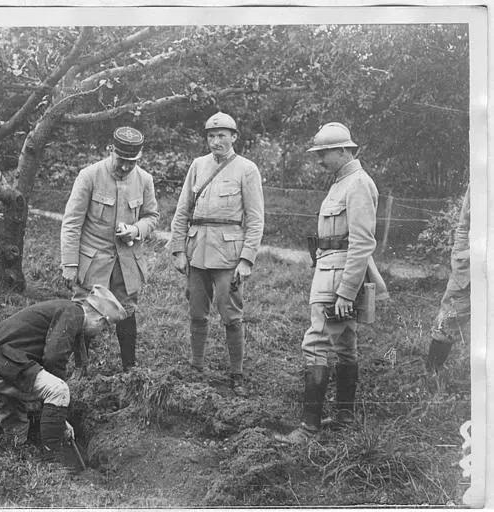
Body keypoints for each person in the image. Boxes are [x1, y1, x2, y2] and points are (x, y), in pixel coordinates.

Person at [275, 122, 388, 445]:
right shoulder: (343, 181)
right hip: (330, 270)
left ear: (343, 150)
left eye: (324, 153)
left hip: (338, 277)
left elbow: (362, 243)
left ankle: (309, 428)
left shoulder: (358, 184)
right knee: (344, 344)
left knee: (317, 343)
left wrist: (345, 291)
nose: (320, 159)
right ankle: (343, 417)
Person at [0, 285, 128, 459]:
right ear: (100, 319)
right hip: (6, 368)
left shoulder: (67, 309)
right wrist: (59, 413)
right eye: (104, 327)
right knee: (59, 390)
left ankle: (17, 452)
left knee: (17, 429)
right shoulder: (74, 314)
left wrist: (59, 418)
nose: (100, 332)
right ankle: (53, 457)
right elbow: (54, 358)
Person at [168, 112, 264, 394]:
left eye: (222, 135)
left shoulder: (247, 169)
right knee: (196, 312)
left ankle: (237, 374)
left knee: (231, 315)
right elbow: (182, 210)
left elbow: (256, 218)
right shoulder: (198, 165)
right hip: (197, 252)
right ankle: (197, 365)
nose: (215, 141)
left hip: (228, 256)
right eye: (211, 136)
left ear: (234, 137)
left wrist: (246, 259)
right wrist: (177, 249)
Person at [60, 127, 159, 372]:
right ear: (110, 150)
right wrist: (70, 265)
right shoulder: (89, 176)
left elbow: (152, 216)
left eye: (131, 162)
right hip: (94, 262)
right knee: (86, 315)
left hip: (126, 263)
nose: (125, 167)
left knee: (127, 312)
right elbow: (72, 223)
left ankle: (130, 369)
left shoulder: (144, 179)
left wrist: (136, 230)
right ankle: (81, 370)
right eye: (121, 160)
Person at [426, 185, 470, 372]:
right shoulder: (479, 180)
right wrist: (459, 255)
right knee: (450, 314)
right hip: (469, 265)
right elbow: (464, 225)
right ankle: (433, 372)